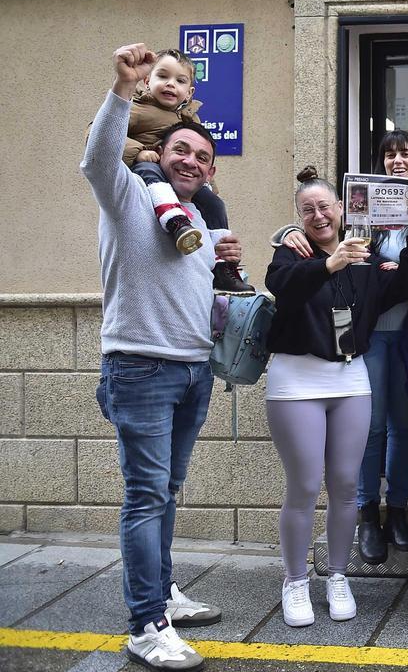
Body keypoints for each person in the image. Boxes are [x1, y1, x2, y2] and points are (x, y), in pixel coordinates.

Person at [83, 43, 241, 671]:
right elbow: (96, 158)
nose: (193, 161)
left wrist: (229, 272)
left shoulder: (199, 221)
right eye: (182, 150)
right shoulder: (128, 193)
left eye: (203, 156)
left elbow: (200, 296)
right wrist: (123, 89)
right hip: (140, 367)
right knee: (146, 495)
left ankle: (162, 595)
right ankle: (146, 623)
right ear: (159, 153)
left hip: (192, 369)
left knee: (167, 491)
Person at [263, 166, 408, 629]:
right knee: (302, 486)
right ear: (298, 217)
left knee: (345, 485)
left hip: (351, 378)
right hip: (296, 381)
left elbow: (407, 285)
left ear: (342, 209)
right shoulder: (290, 251)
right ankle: (295, 580)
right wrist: (327, 263)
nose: (318, 215)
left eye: (325, 206)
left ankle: (338, 576)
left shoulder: (368, 257)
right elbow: (282, 286)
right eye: (307, 210)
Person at [277, 132, 408, 566]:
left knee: (401, 426)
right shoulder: (361, 210)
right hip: (365, 337)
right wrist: (287, 232)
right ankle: (367, 516)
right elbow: (319, 237)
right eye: (388, 154)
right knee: (371, 429)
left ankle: (396, 513)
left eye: (405, 153)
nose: (397, 160)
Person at [115, 48, 251, 293]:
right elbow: (101, 134)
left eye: (179, 80)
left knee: (215, 204)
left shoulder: (192, 121)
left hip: (178, 186)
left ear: (189, 92)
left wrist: (207, 187)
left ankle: (224, 268)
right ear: (147, 80)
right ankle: (176, 222)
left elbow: (202, 162)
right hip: (149, 172)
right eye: (163, 77)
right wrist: (138, 152)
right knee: (149, 168)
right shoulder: (137, 109)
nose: (170, 85)